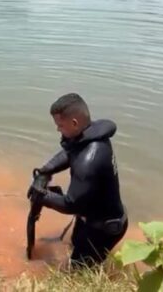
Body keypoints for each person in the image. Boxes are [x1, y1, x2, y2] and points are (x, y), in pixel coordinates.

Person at [29, 93, 128, 267]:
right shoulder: (88, 137)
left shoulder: (89, 160)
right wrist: (46, 170)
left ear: (74, 123)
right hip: (90, 216)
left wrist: (41, 195)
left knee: (77, 270)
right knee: (74, 242)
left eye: (60, 125)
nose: (57, 129)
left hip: (104, 229)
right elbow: (69, 153)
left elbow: (71, 204)